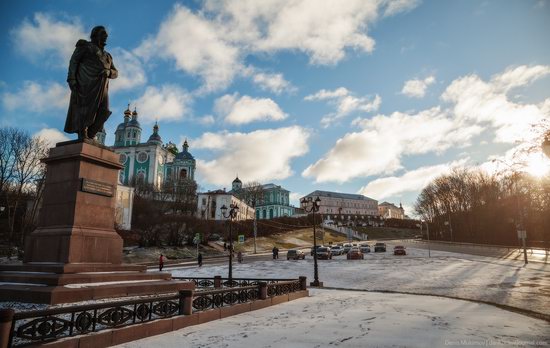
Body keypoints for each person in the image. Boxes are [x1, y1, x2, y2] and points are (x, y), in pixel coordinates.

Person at [65, 25, 118, 140]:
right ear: (95, 35)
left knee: (104, 111)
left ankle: (91, 134)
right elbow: (74, 61)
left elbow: (115, 72)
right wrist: (72, 79)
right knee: (85, 108)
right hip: (85, 82)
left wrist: (108, 72)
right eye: (103, 34)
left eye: (106, 36)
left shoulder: (108, 56)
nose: (106, 37)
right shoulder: (85, 47)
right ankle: (82, 132)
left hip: (102, 86)